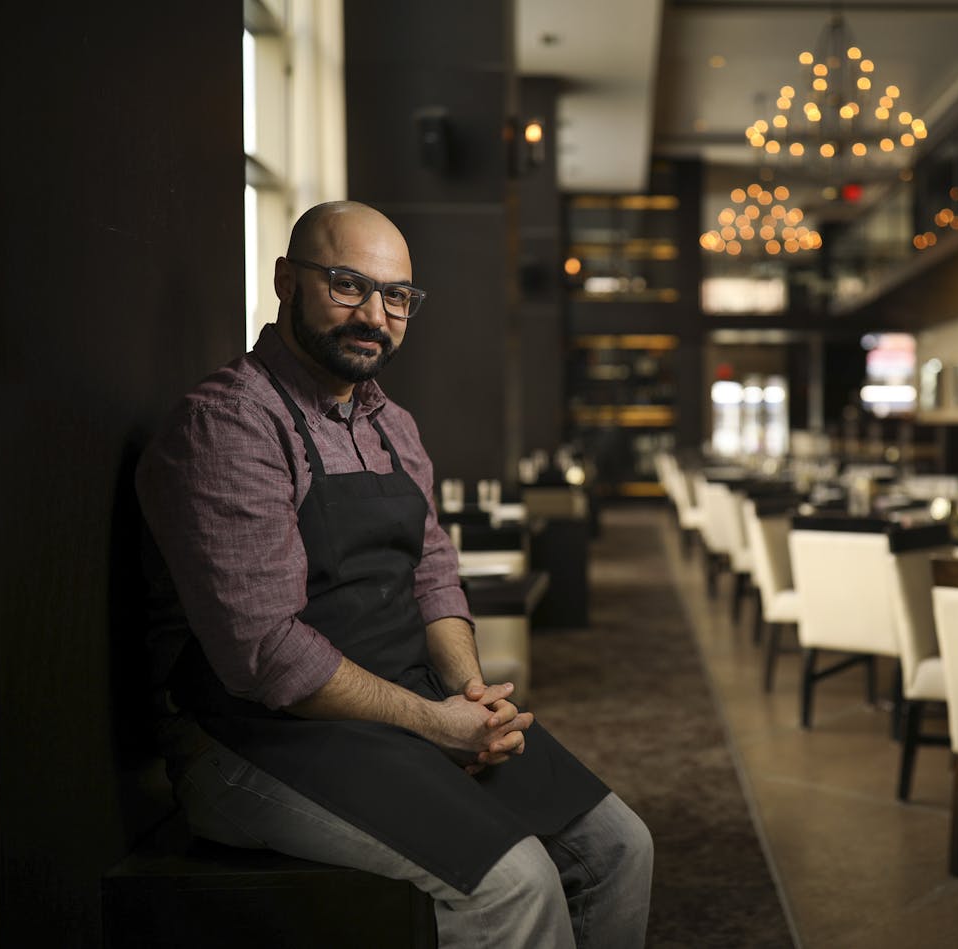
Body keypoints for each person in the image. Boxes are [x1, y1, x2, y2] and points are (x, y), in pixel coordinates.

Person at [136, 200, 652, 948]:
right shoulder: (228, 424)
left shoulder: (393, 424)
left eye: (397, 296)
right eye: (348, 284)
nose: (375, 314)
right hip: (254, 737)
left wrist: (470, 697)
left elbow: (435, 577)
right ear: (286, 280)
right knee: (516, 887)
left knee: (620, 847)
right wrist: (436, 724)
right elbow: (266, 656)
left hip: (401, 712)